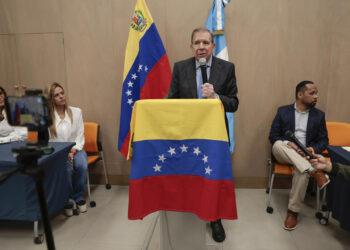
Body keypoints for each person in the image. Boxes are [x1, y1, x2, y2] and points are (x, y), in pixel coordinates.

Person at [168, 27, 239, 243]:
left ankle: (214, 218)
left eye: (205, 43)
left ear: (213, 46)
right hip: (187, 135)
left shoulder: (227, 68)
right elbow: (171, 100)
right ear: (191, 46)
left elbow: (234, 104)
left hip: (214, 137)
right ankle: (190, 209)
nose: (201, 47)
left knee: (213, 177)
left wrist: (216, 96)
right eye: (197, 43)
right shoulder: (180, 67)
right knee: (190, 173)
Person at [269, 80, 329, 231]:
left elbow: (324, 140)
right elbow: (273, 136)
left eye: (317, 93)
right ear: (300, 94)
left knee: (302, 171)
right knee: (277, 144)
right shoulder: (283, 111)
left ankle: (293, 212)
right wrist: (289, 144)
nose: (316, 96)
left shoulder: (319, 115)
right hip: (284, 152)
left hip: (307, 156)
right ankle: (314, 171)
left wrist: (311, 149)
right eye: (312, 93)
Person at [46, 82, 88, 216]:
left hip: (77, 149)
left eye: (62, 93)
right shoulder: (47, 118)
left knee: (82, 166)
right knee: (67, 169)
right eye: (56, 95)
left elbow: (80, 136)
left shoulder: (77, 112)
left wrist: (72, 151)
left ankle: (77, 196)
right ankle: (67, 198)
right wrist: (64, 154)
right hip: (58, 153)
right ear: (51, 99)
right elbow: (49, 142)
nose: (61, 97)